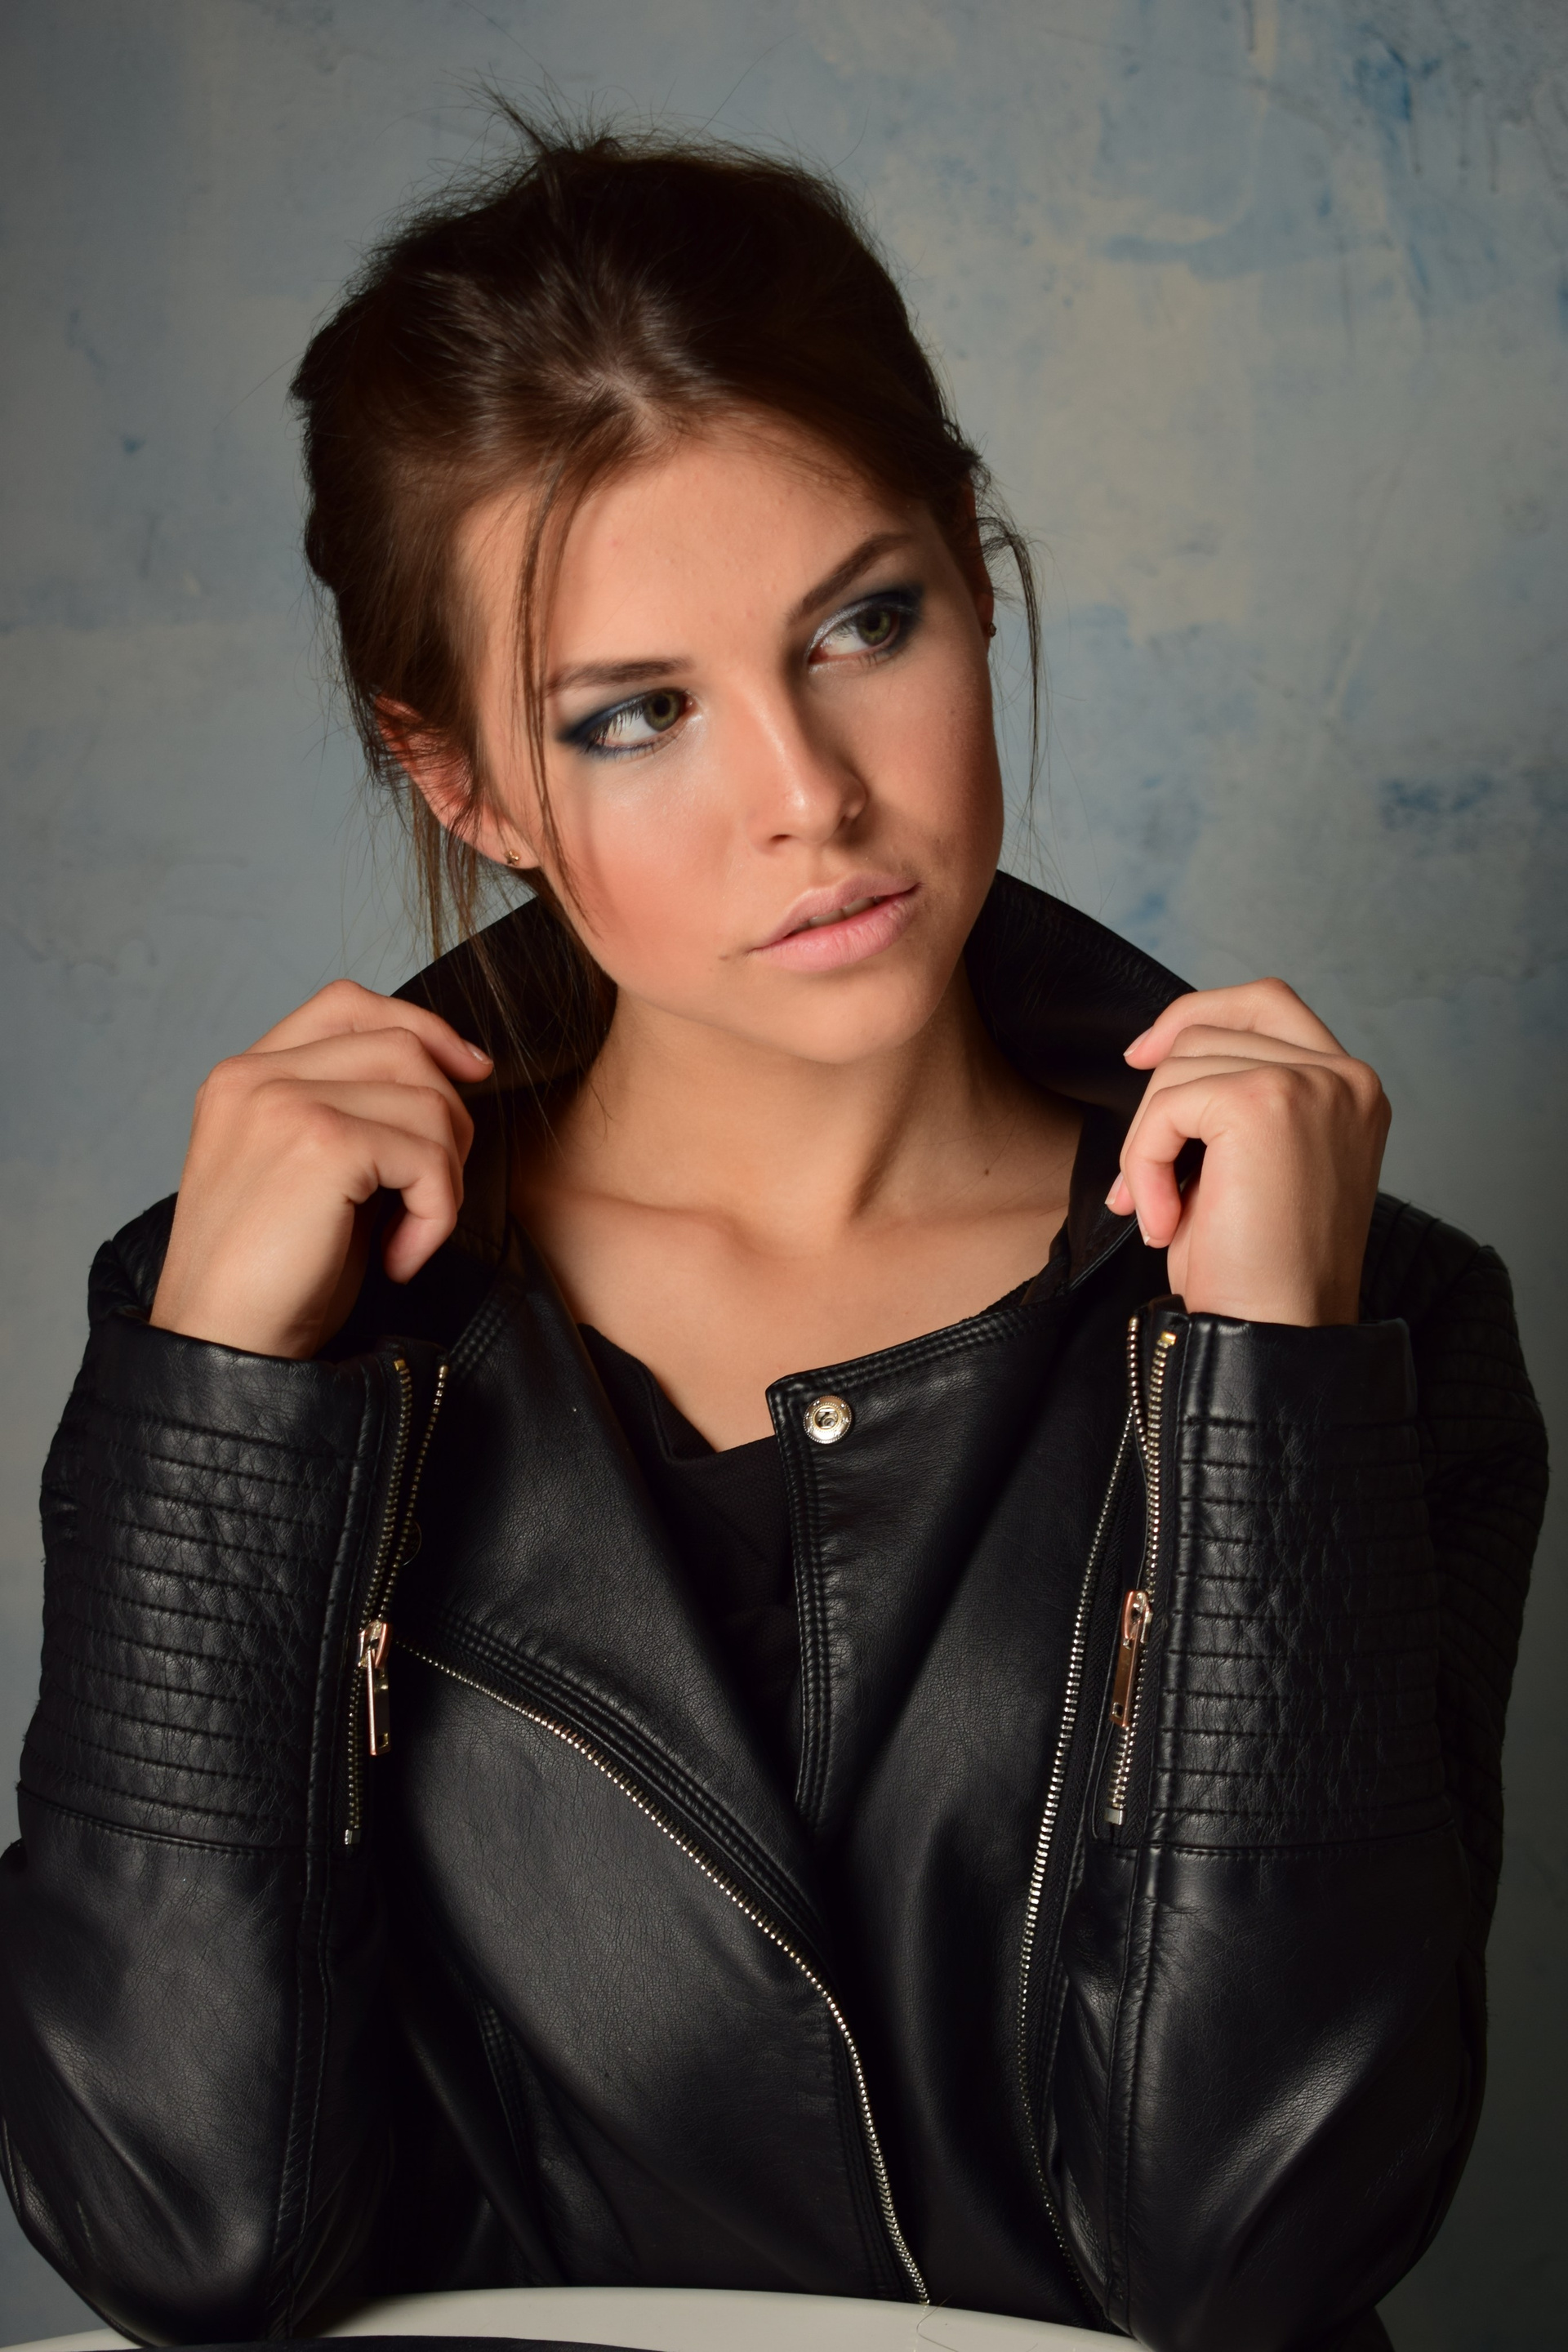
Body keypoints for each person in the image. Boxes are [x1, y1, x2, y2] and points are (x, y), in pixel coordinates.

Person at [0, 120, 1546, 2352]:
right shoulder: (283, 1321)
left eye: (862, 624)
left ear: (977, 585)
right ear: (466, 784)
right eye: (636, 717)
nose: (807, 796)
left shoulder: (1365, 1313)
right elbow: (175, 2224)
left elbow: (1261, 2247)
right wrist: (225, 1404)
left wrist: (1268, 1394)